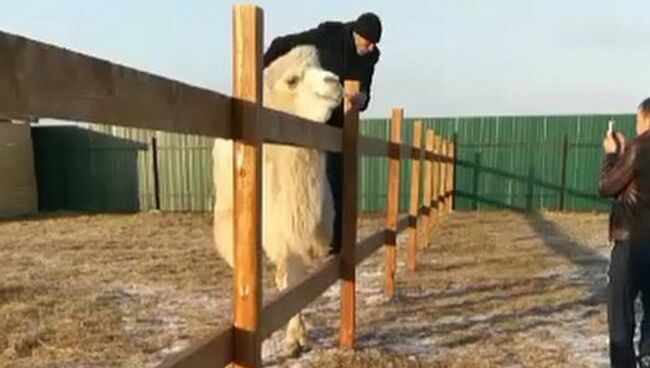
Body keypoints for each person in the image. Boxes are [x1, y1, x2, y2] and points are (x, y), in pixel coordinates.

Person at [263, 12, 382, 253]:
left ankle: (335, 246)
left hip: (340, 124)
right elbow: (282, 44)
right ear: (355, 33)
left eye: (374, 44)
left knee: (339, 179)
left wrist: (363, 99)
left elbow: (366, 89)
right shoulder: (328, 35)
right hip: (311, 119)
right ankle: (299, 237)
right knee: (303, 180)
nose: (370, 48)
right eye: (366, 42)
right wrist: (261, 72)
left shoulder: (371, 57)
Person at [599, 97, 650, 368]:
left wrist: (611, 154)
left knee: (621, 317)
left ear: (646, 116)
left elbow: (607, 186)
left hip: (631, 243)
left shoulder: (639, 148)